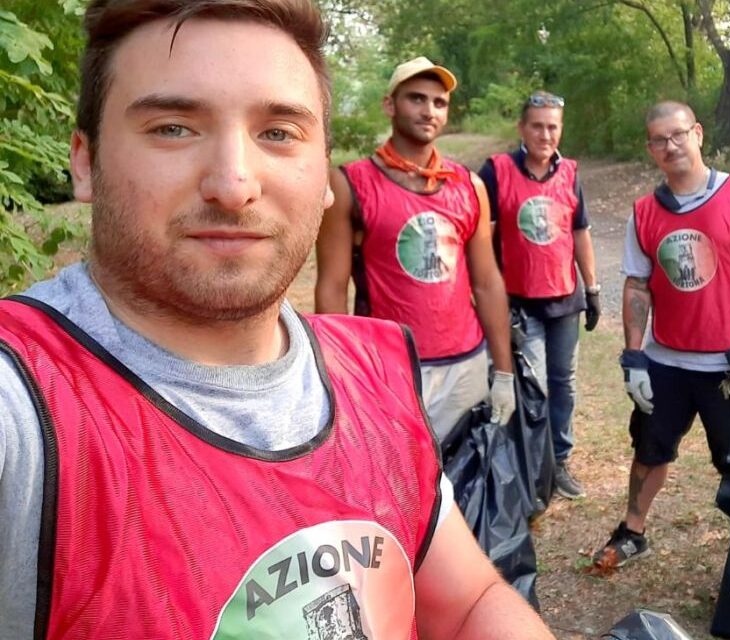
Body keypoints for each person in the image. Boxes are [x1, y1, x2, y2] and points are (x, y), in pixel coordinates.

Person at [0, 2, 554, 638]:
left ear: (322, 173)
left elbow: (469, 601)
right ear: (85, 162)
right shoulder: (23, 405)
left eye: (279, 133)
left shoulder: (372, 371)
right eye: (174, 128)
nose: (234, 185)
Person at [593, 101, 730, 566]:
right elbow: (637, 285)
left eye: (678, 135)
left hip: (729, 361)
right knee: (649, 449)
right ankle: (632, 531)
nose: (671, 146)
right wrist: (633, 358)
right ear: (650, 149)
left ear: (698, 134)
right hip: (667, 360)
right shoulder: (645, 212)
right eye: (660, 140)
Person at [315, 56, 515, 441]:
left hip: (465, 365)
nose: (429, 111)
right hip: (389, 367)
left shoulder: (469, 185)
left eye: (439, 103)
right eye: (417, 99)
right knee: (398, 487)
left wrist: (502, 371)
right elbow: (332, 287)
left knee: (463, 486)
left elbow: (487, 281)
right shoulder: (350, 184)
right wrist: (337, 376)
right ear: (390, 105)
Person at [477, 91, 599, 500]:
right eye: (537, 126)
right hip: (518, 301)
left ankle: (559, 460)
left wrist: (594, 287)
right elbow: (482, 237)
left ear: (560, 129)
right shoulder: (496, 171)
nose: (545, 134)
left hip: (565, 299)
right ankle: (531, 465)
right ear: (522, 128)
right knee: (532, 388)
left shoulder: (570, 173)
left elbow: (579, 232)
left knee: (563, 382)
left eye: (552, 126)